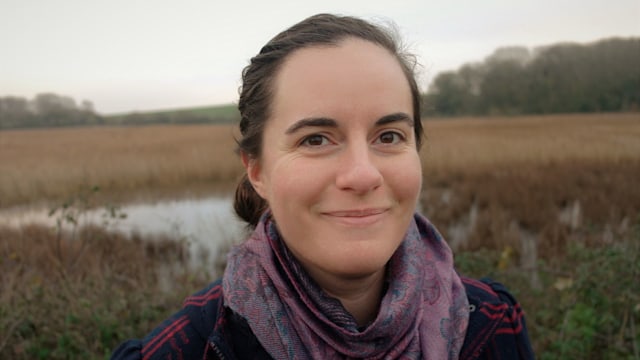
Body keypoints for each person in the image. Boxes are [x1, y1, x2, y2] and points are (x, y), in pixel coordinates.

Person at [112, 13, 534, 359]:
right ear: (257, 171)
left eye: (388, 136)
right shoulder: (196, 348)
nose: (363, 174)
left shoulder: (491, 323)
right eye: (315, 139)